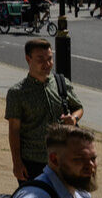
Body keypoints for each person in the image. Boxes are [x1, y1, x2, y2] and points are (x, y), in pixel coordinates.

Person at [6, 37, 82, 184]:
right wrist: (17, 163)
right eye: (40, 59)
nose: (47, 64)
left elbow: (78, 107)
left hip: (62, 159)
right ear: (28, 59)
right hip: (33, 162)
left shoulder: (61, 83)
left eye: (50, 58)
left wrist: (74, 119)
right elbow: (14, 131)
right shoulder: (17, 93)